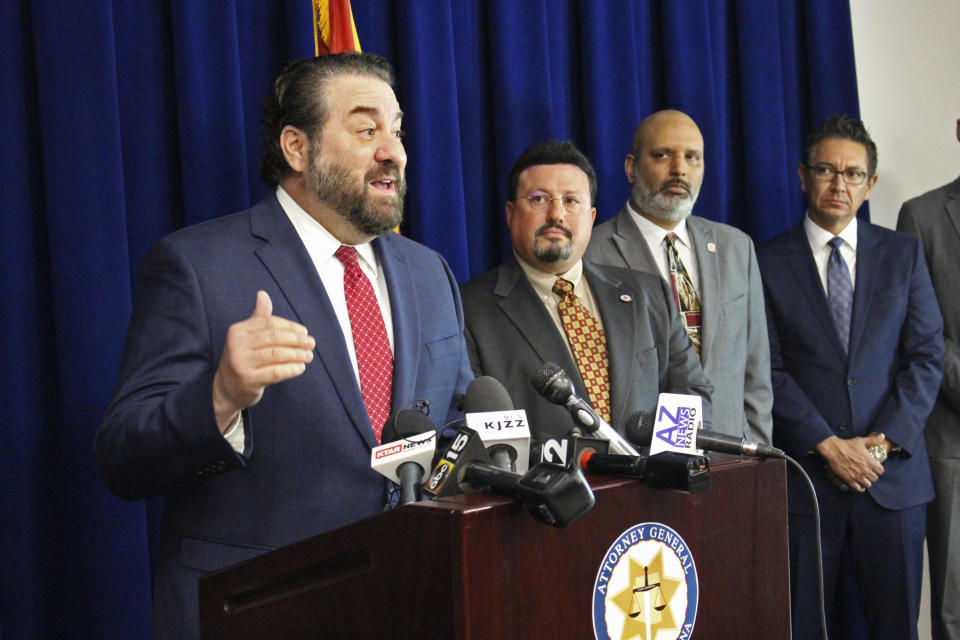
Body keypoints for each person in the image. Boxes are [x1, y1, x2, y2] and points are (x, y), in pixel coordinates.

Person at [95, 53, 473, 639]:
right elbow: (122, 458)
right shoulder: (198, 265)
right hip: (256, 609)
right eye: (367, 129)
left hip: (404, 603)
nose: (393, 151)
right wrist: (220, 397)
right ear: (297, 148)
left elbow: (455, 424)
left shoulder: (431, 272)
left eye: (397, 131)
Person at [758, 114, 943, 640]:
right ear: (802, 176)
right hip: (808, 485)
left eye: (853, 174)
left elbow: (926, 357)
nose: (839, 184)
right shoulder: (766, 261)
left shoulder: (903, 254)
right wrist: (829, 446)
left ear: (871, 185)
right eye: (826, 170)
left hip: (893, 486)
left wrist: (878, 448)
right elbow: (767, 368)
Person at [461, 140, 712, 440]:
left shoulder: (646, 293)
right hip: (543, 485)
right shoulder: (470, 310)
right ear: (510, 213)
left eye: (571, 201)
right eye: (539, 199)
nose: (556, 214)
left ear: (591, 218)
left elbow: (690, 391)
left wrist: (663, 469)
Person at [586, 110, 772, 444]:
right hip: (642, 456)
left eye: (692, 158)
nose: (679, 169)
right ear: (631, 167)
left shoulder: (736, 247)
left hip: (729, 453)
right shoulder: (593, 252)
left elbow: (756, 374)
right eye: (662, 155)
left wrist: (758, 457)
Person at [896, 117, 960, 640]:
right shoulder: (922, 216)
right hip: (950, 442)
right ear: (958, 129)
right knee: (953, 607)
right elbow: (919, 335)